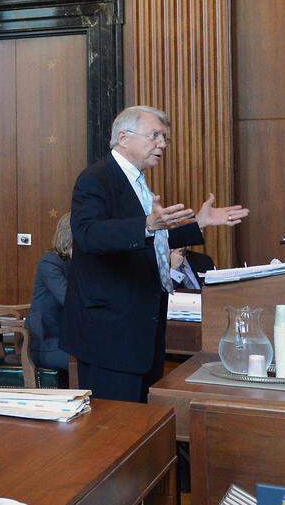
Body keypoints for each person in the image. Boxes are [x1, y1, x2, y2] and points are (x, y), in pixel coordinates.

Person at [62, 105, 249, 402]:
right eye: (155, 135)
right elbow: (88, 235)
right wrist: (146, 223)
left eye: (164, 138)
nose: (162, 144)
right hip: (111, 332)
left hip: (141, 326)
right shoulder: (96, 178)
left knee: (143, 425)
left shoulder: (136, 180)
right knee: (117, 428)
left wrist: (199, 223)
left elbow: (152, 236)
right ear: (123, 137)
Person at [29, 213, 72, 373]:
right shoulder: (50, 263)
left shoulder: (70, 263)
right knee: (92, 359)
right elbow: (70, 300)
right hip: (46, 343)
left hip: (65, 340)